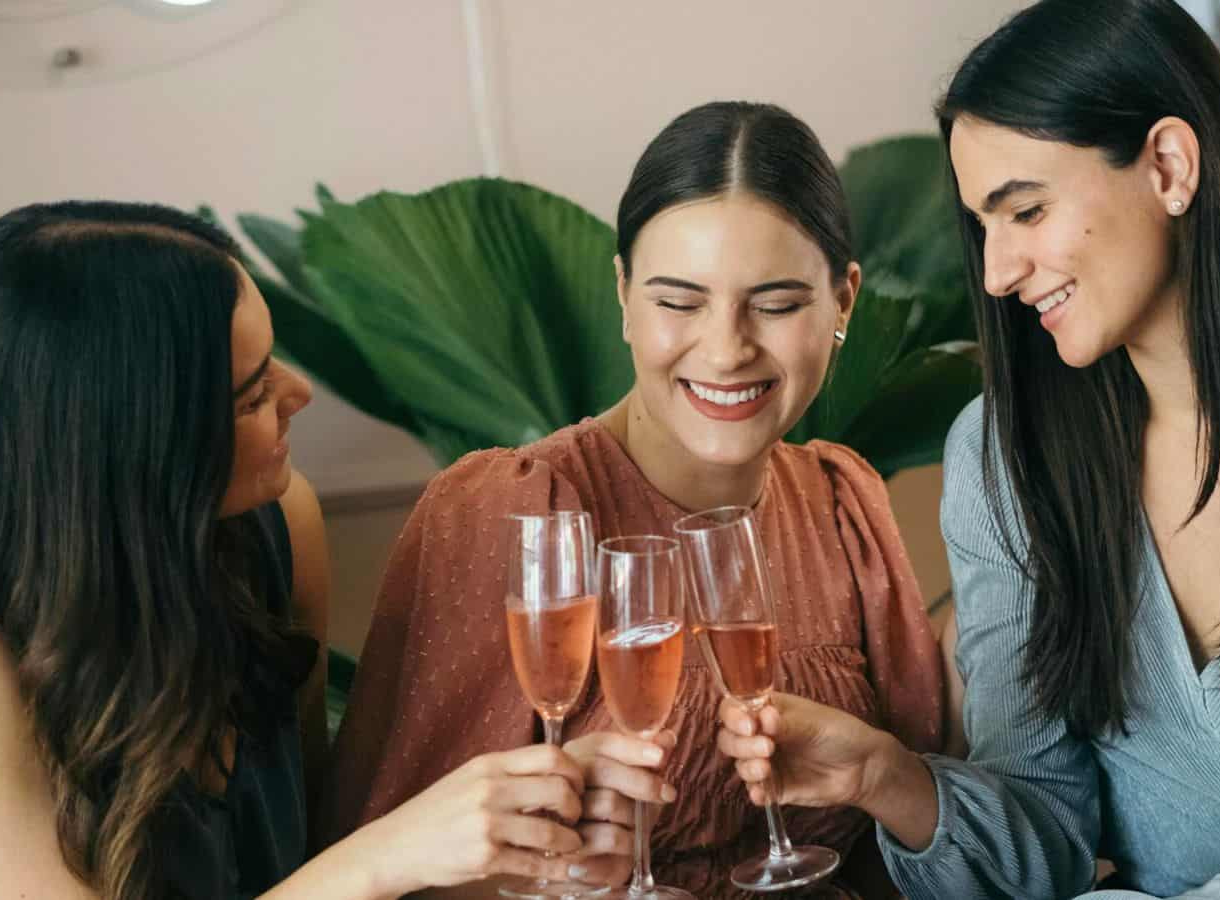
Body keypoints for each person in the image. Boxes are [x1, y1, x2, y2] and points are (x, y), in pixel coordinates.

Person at [717, 1, 1220, 898]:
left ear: (1169, 165)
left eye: (1026, 210)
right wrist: (884, 778)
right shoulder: (1008, 457)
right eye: (985, 226)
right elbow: (1044, 837)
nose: (997, 272)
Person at [0, 201, 636, 900]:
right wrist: (388, 853)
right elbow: (348, 871)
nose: (298, 394)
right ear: (133, 447)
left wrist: (520, 844)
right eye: (252, 393)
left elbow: (305, 859)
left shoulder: (272, 528)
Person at [319, 101, 948, 899]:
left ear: (844, 302)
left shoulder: (843, 500)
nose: (725, 349)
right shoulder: (516, 508)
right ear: (622, 293)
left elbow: (919, 834)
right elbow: (394, 871)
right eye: (678, 302)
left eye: (779, 304)